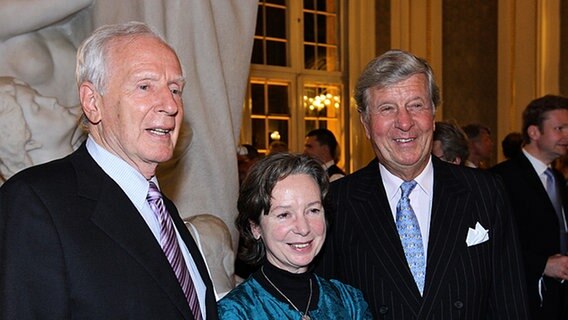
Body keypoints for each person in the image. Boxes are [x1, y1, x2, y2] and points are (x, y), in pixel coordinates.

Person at [0, 22, 217, 319]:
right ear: (93, 103)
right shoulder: (36, 202)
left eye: (175, 89)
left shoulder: (161, 210)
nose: (170, 105)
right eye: (144, 86)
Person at [315, 50, 530, 319]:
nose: (405, 123)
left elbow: (510, 304)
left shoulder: (485, 192)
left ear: (433, 115)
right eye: (387, 108)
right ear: (366, 124)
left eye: (416, 105)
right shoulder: (335, 204)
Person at [218, 153, 372, 319]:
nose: (303, 228)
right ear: (255, 227)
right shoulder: (235, 312)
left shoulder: (349, 302)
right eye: (284, 214)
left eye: (313, 210)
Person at [491, 95, 568, 319]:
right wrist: (541, 264)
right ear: (534, 133)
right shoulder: (501, 179)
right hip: (523, 298)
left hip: (557, 297)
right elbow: (494, 242)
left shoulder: (557, 178)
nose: (566, 136)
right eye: (559, 128)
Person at [0, 77, 84, 183]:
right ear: (29, 143)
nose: (52, 100)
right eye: (37, 107)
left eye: (39, 95)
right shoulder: (51, 193)